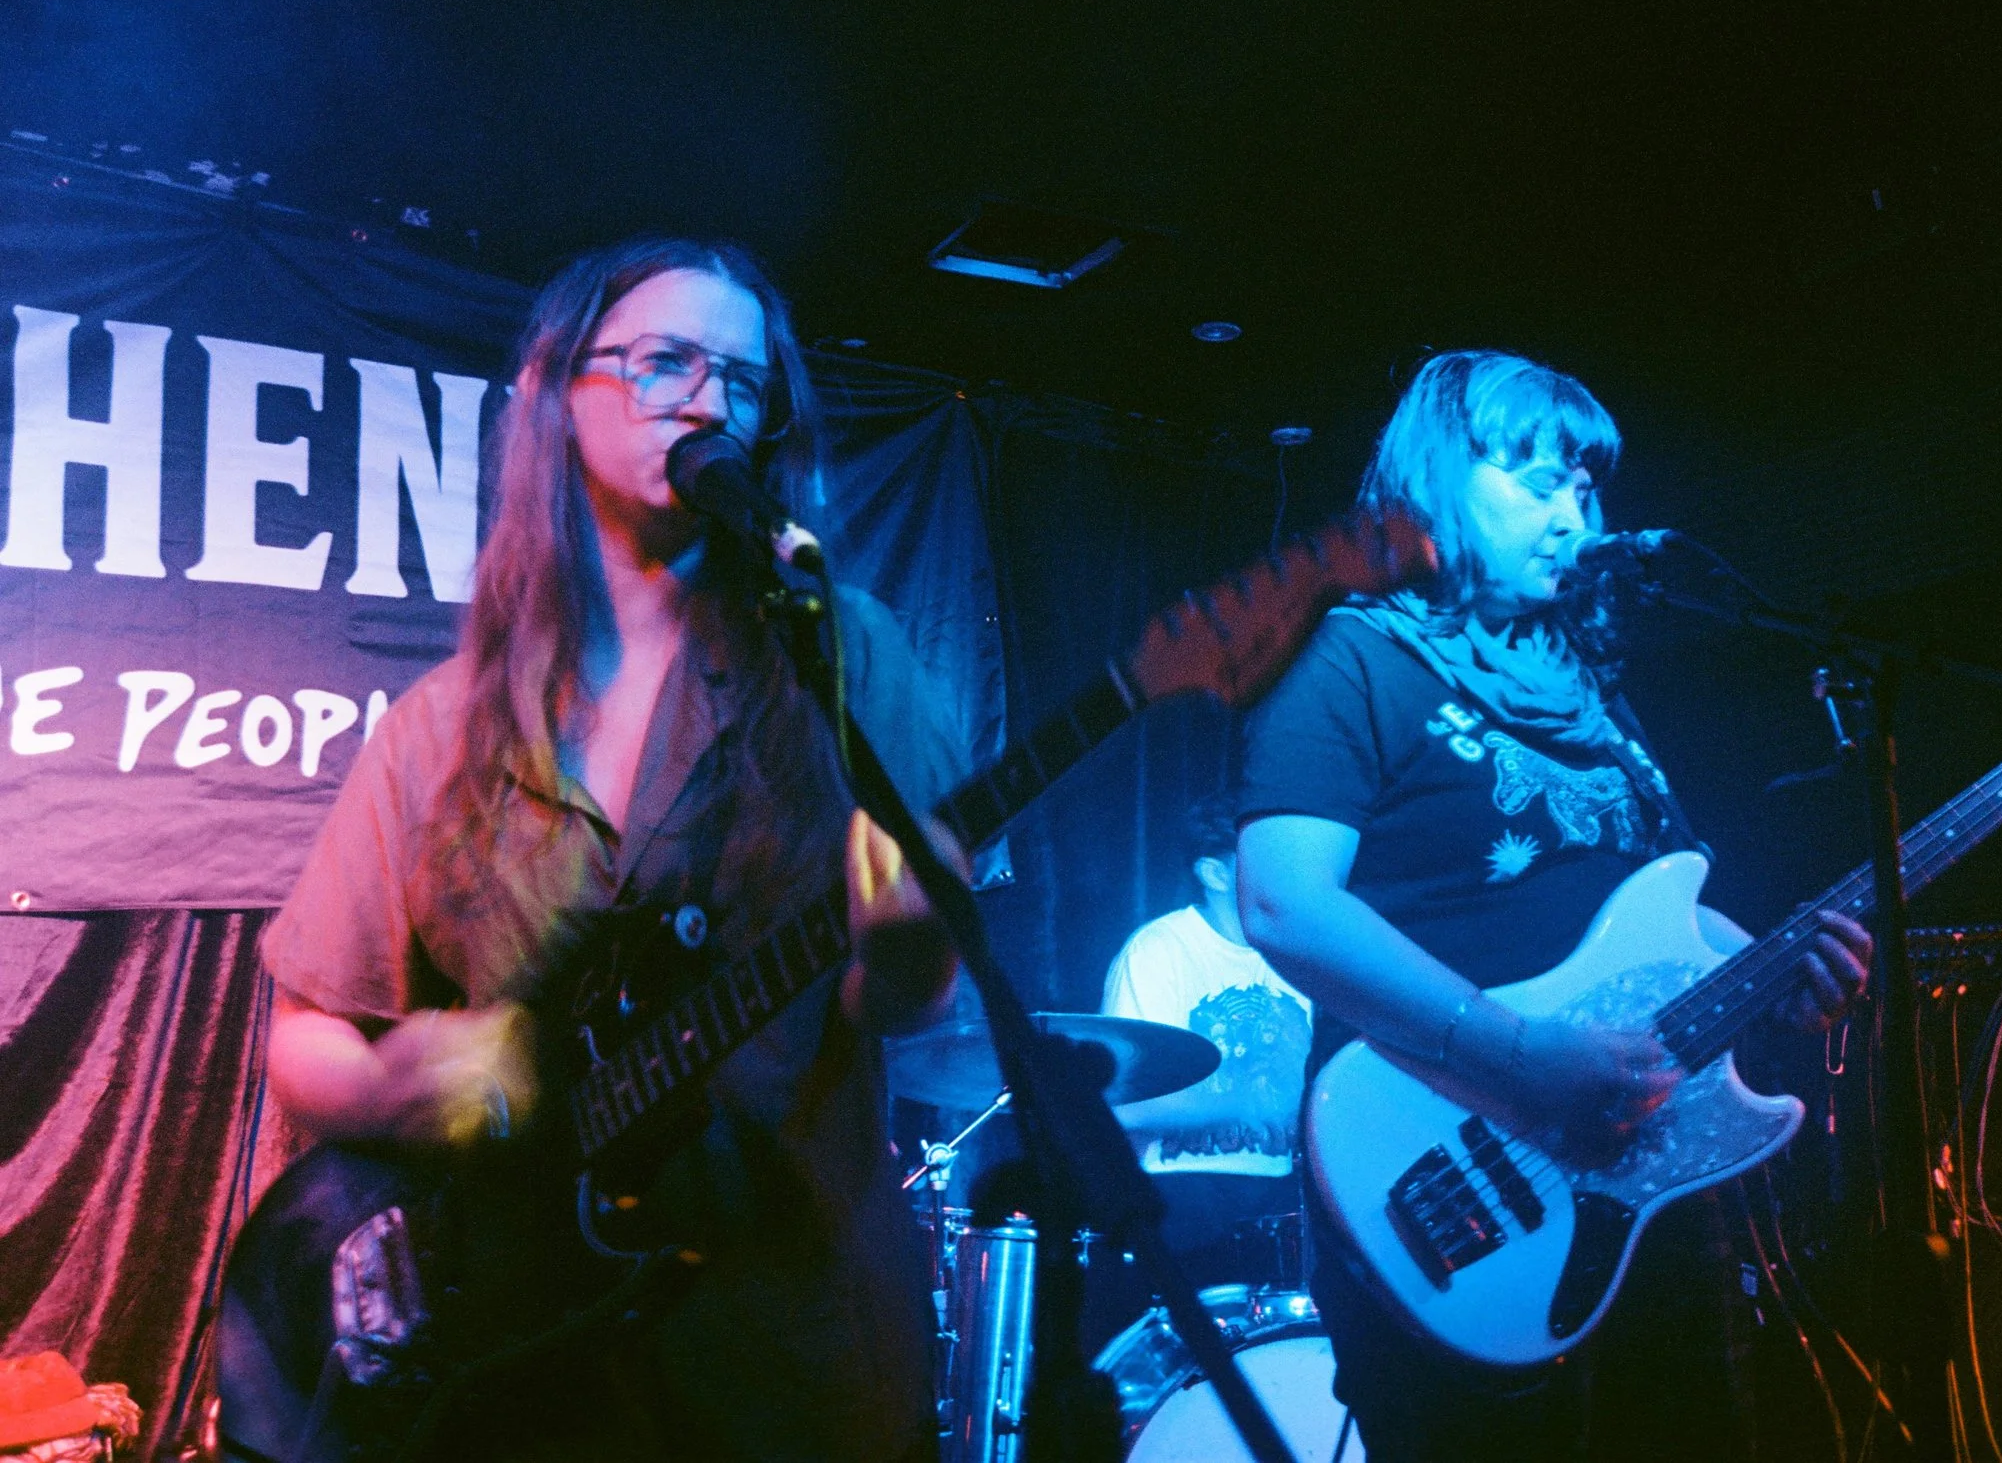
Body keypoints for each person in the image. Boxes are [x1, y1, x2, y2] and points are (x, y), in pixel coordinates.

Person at [242, 238, 966, 1463]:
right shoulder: (439, 726)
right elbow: (304, 1035)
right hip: (526, 1356)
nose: (708, 400)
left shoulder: (845, 655)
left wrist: (910, 949)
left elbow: (902, 998)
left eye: (743, 380)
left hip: (787, 1346)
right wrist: (386, 1085)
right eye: (664, 361)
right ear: (552, 390)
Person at [1234, 350, 1873, 1463]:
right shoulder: (1347, 660)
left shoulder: (1590, 696)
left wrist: (1778, 984)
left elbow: (1661, 924)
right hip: (1446, 1177)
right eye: (1537, 482)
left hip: (1637, 1187)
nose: (1573, 513)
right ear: (1437, 487)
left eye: (1583, 487)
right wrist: (1521, 1056)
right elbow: (1285, 903)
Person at [1100, 792, 1313, 1291]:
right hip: (1180, 1194)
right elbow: (1120, 1108)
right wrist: (1241, 1102)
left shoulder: (1300, 953)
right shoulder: (1159, 950)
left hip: (1280, 1197)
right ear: (1215, 875)